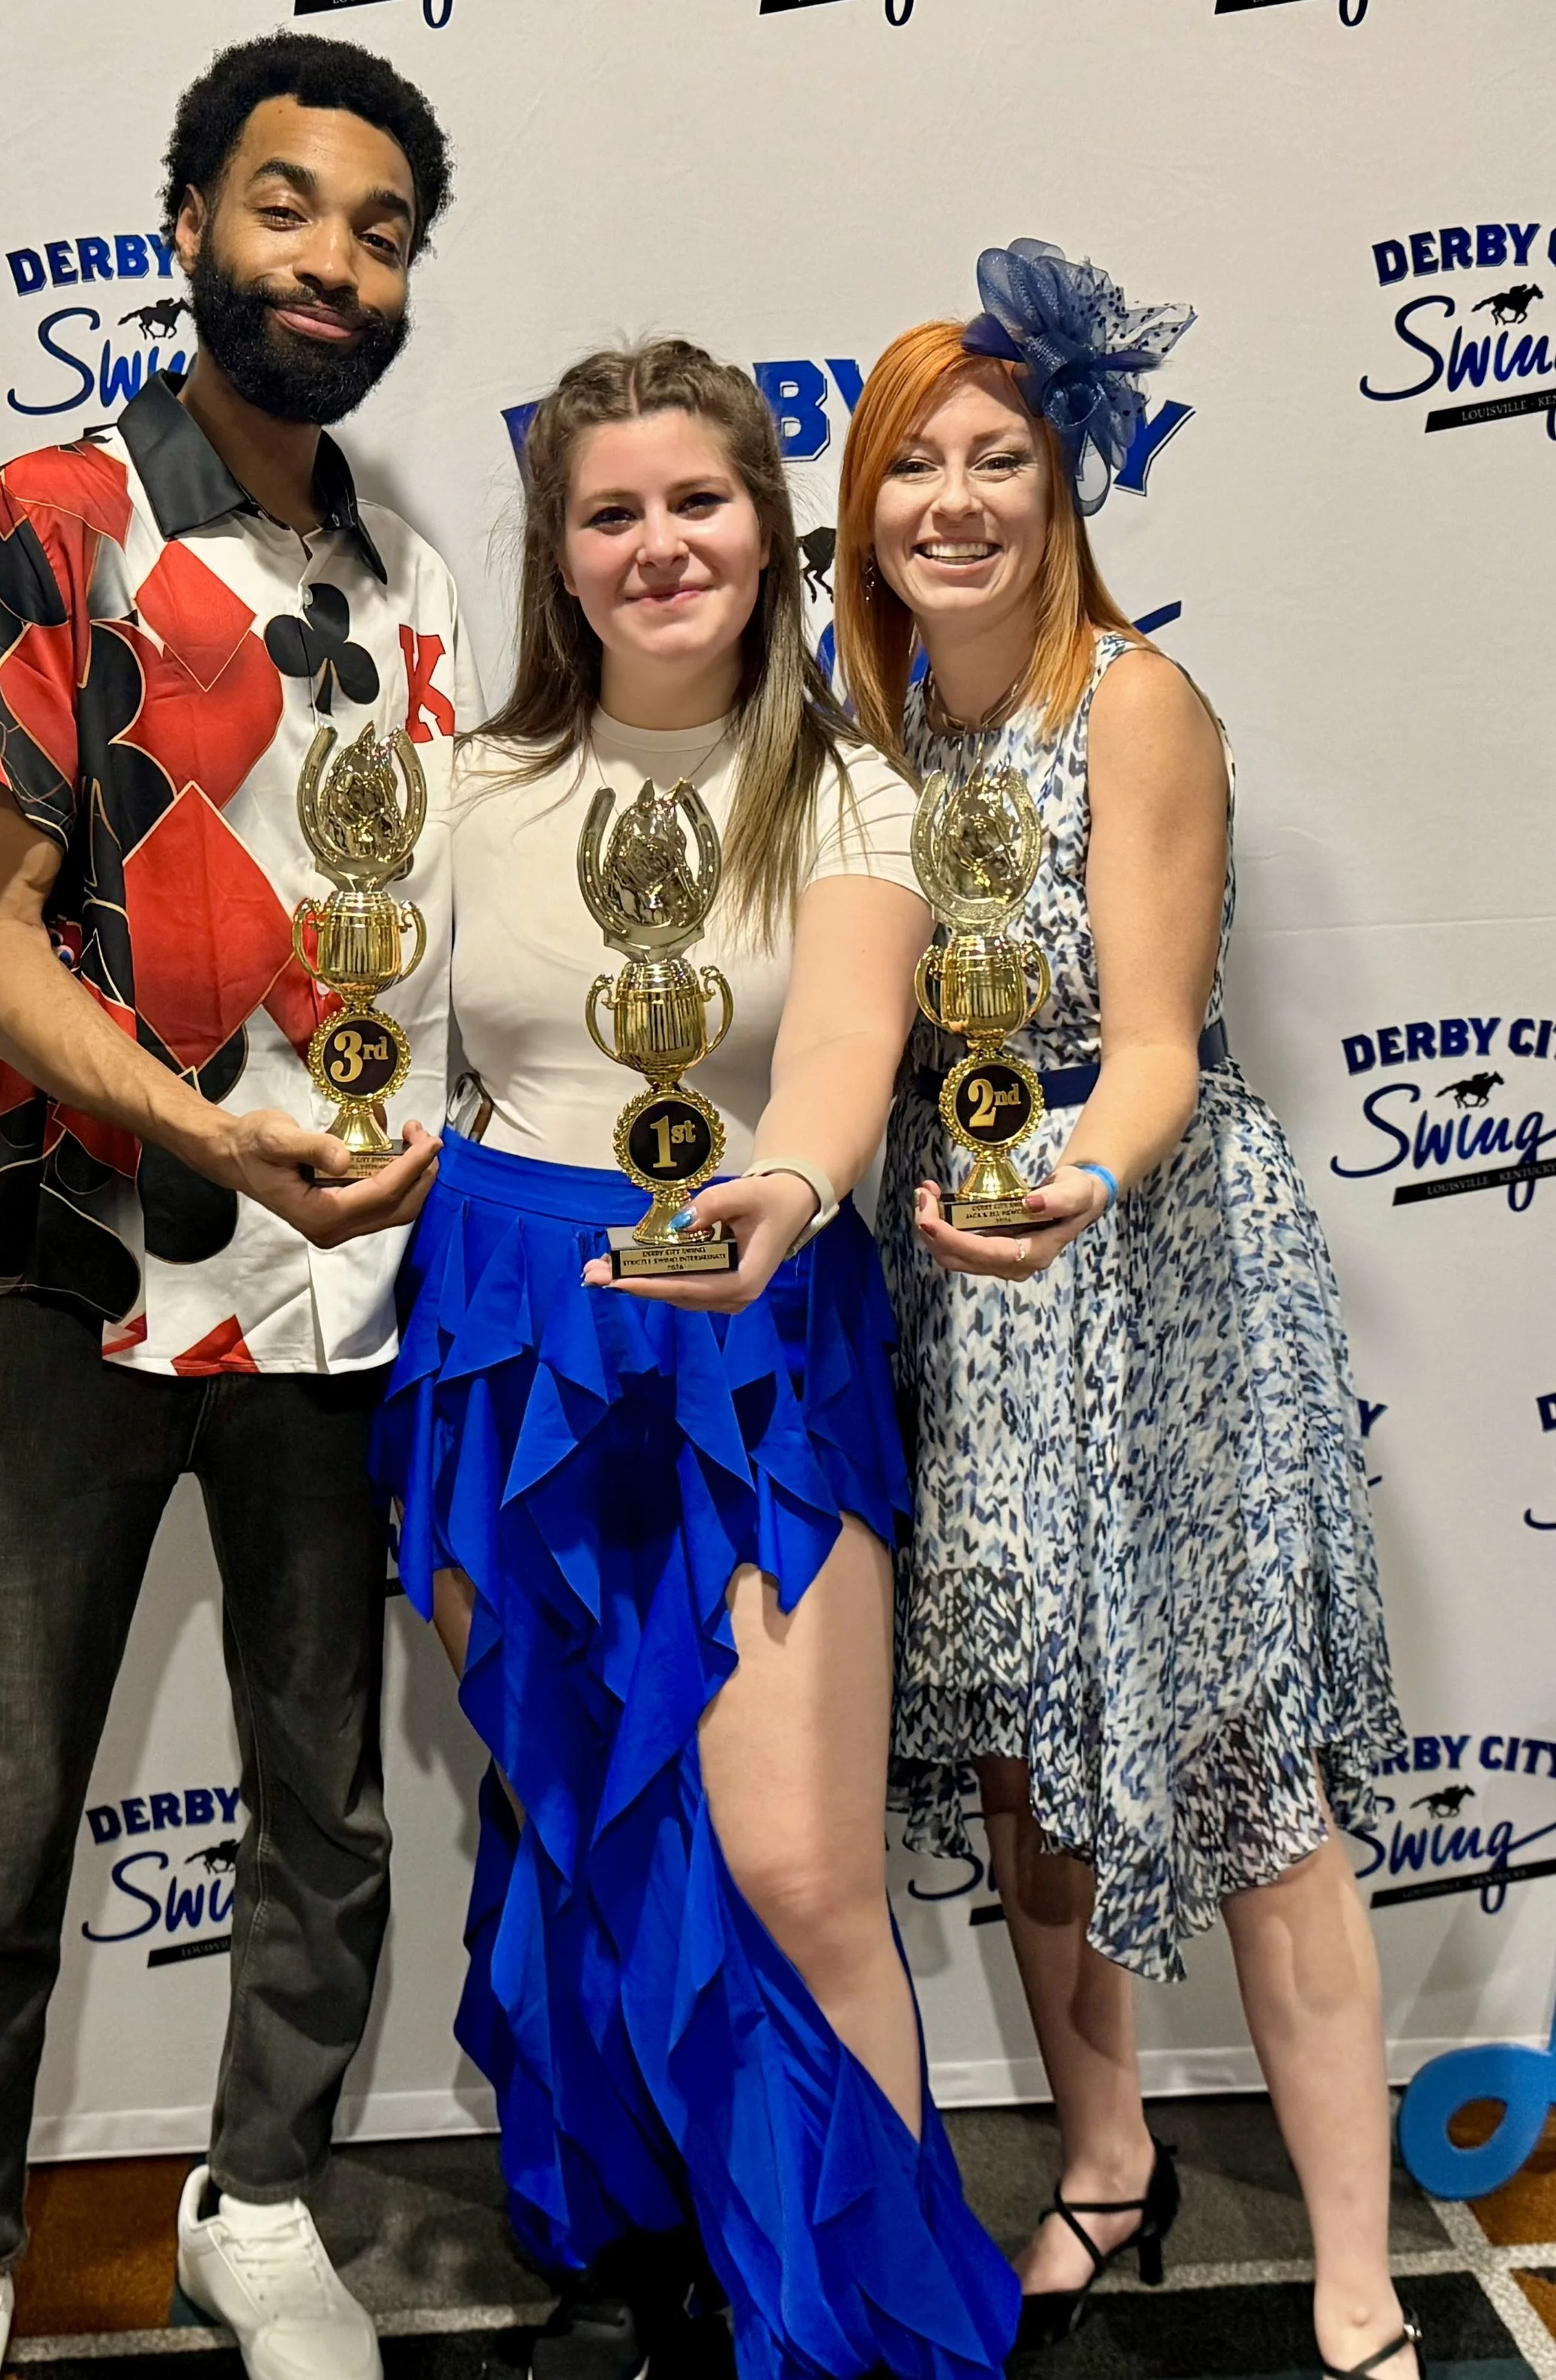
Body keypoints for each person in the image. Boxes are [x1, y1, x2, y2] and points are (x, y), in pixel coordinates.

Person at [0, 37, 478, 2380]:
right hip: (75, 1261)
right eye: (289, 206)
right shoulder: (39, 521)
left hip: (342, 1281)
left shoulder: (405, 567)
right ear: (190, 223)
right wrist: (205, 1135)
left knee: (321, 1793)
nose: (333, 260)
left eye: (383, 229)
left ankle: (261, 2199)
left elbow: (395, 948)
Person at [374, 339, 1018, 2380]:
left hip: (755, 1317)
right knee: (576, 1813)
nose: (660, 546)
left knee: (802, 1861)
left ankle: (857, 2327)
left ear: (769, 527)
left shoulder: (846, 786)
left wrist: (795, 1186)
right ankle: (638, 2255)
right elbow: (378, 1053)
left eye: (697, 502)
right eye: (610, 512)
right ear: (556, 558)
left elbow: (835, 1046)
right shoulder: (460, 791)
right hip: (506, 1323)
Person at [835, 243, 1415, 2379]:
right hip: (965, 1298)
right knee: (1026, 1761)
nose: (957, 499)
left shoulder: (1133, 701)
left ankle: (1353, 2269)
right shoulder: (880, 728)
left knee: (1246, 1767)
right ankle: (1105, 2156)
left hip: (1148, 1273)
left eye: (999, 456)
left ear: (1062, 485)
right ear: (868, 504)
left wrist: (1069, 1180)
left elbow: (1155, 1041)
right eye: (917, 464)